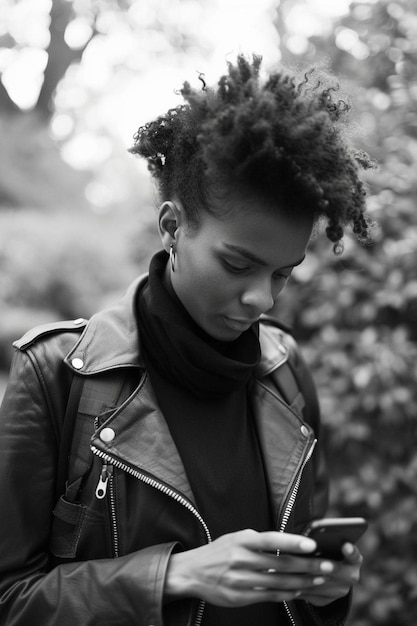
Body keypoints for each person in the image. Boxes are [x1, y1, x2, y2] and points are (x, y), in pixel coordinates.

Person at [0, 55, 374, 626]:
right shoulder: (57, 373)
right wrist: (176, 575)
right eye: (238, 264)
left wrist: (324, 589)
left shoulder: (285, 368)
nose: (263, 300)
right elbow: (11, 597)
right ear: (173, 227)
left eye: (282, 272)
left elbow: (296, 582)